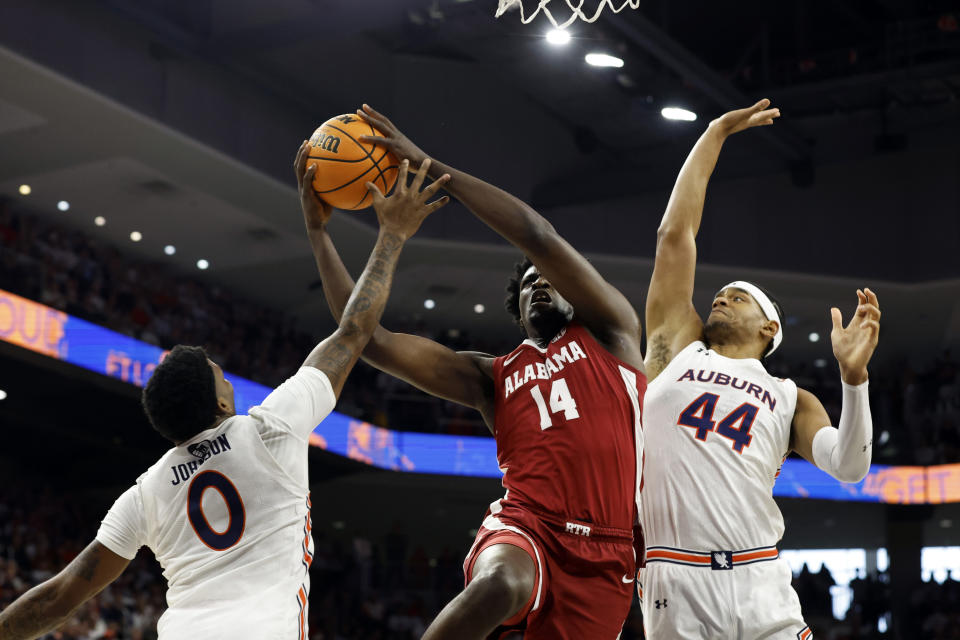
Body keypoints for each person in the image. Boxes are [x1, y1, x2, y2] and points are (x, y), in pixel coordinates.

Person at [0, 152, 450, 640]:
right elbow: (354, 331)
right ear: (220, 404)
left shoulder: (146, 493)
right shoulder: (270, 427)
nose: (232, 384)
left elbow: (60, 595)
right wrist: (388, 234)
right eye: (224, 379)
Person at [298, 105, 647, 639]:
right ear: (517, 305)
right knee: (500, 585)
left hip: (608, 549)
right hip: (528, 523)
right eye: (528, 282)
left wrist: (432, 166)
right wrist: (321, 234)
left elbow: (537, 234)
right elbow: (372, 341)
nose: (539, 283)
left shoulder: (611, 334)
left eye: (547, 280)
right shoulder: (493, 376)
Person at [639, 99, 881, 638]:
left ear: (770, 328)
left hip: (760, 578)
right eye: (720, 294)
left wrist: (854, 380)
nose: (721, 298)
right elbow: (674, 238)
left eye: (738, 297)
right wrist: (714, 135)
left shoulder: (790, 397)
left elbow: (850, 468)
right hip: (675, 579)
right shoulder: (677, 348)